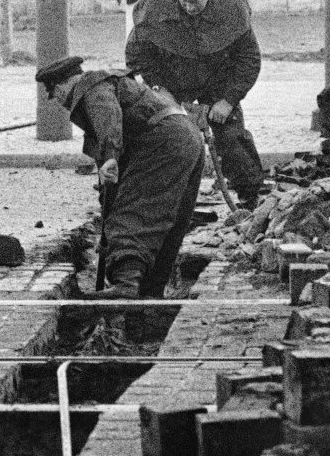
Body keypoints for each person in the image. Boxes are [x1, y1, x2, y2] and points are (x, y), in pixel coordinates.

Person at [36, 56, 204, 299]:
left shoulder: (91, 87)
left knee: (133, 213)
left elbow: (109, 118)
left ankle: (126, 285)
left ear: (62, 85)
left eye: (54, 93)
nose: (58, 101)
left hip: (164, 140)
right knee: (170, 220)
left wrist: (110, 157)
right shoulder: (107, 85)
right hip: (184, 137)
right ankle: (150, 293)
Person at [126, 0, 264, 210]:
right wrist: (159, 89)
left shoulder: (233, 7)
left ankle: (250, 198)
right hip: (171, 81)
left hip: (218, 82)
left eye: (196, 0)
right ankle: (164, 201)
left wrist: (228, 100)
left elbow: (249, 60)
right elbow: (137, 55)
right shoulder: (152, 5)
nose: (189, 5)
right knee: (170, 140)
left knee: (232, 139)